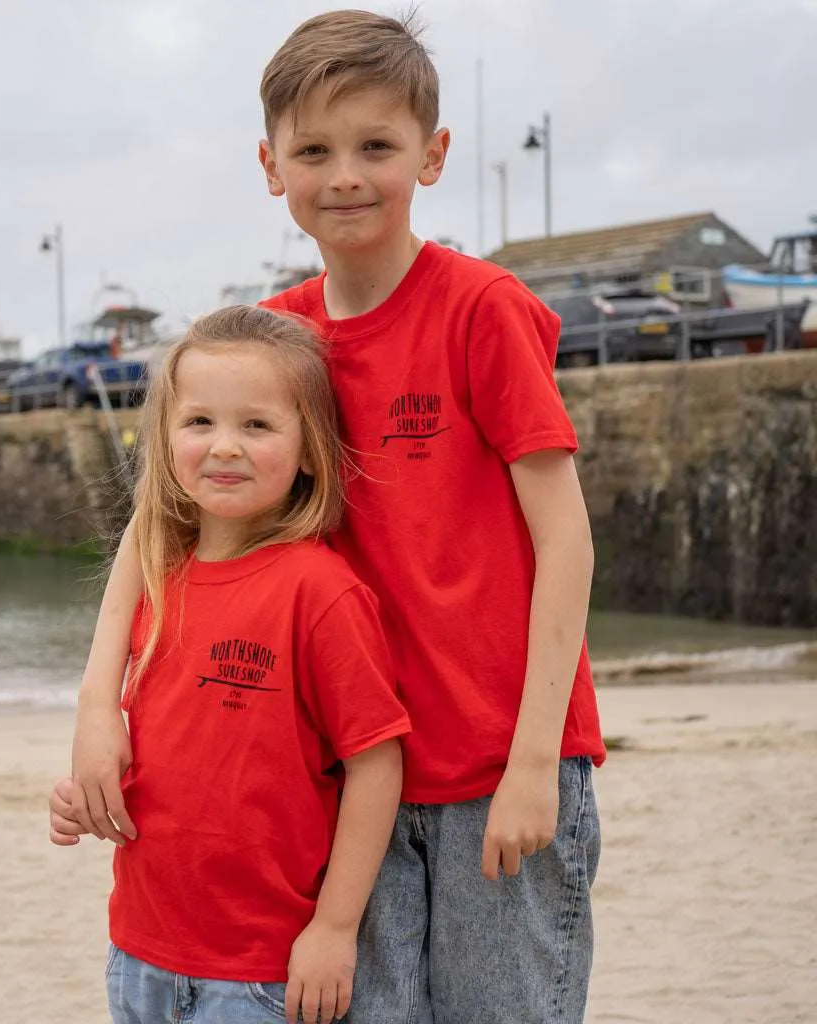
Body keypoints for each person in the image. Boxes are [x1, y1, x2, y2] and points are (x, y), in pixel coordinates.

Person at [57, 9, 605, 1022]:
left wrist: (536, 760)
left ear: (431, 156)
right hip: (354, 775)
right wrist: (101, 707)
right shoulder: (283, 341)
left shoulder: (479, 311)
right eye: (313, 149)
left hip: (497, 755)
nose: (344, 173)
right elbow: (161, 525)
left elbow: (563, 536)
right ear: (271, 166)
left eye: (375, 146)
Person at [51, 304, 410, 1024]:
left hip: (259, 975)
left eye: (257, 426)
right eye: (200, 423)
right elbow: (177, 759)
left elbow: (376, 764)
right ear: (166, 438)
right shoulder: (159, 576)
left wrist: (336, 930)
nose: (224, 448)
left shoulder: (320, 591)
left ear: (310, 449)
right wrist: (90, 799)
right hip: (139, 954)